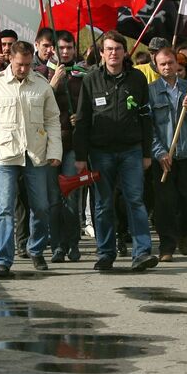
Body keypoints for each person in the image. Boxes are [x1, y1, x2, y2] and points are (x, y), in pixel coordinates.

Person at [73, 31, 159, 272]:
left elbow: (145, 117)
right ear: (101, 53)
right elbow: (82, 120)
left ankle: (142, 252)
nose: (113, 53)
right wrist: (81, 156)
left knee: (135, 200)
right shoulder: (91, 80)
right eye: (109, 49)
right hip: (100, 152)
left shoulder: (137, 79)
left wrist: (146, 152)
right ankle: (106, 253)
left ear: (125, 52)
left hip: (131, 150)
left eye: (118, 49)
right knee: (102, 204)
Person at [0, 41, 61, 277]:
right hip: (5, 154)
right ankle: (4, 259)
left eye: (27, 64)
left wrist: (55, 152)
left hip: (36, 153)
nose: (23, 69)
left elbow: (53, 119)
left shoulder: (42, 85)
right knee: (4, 208)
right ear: (10, 60)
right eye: (19, 64)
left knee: (41, 206)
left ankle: (36, 249)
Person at [149, 45, 187, 261]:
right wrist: (158, 152)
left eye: (170, 63)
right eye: (162, 64)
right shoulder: (151, 91)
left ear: (177, 64)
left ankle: (183, 233)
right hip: (164, 158)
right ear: (156, 67)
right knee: (164, 204)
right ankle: (167, 246)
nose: (167, 67)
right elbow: (148, 127)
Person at [48, 31, 85, 263]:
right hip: (51, 143)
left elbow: (90, 105)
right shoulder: (43, 72)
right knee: (53, 199)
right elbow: (37, 104)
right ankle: (57, 245)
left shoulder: (83, 74)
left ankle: (73, 243)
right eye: (61, 48)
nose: (65, 52)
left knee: (71, 195)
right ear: (53, 49)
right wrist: (53, 84)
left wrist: (78, 117)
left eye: (69, 47)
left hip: (73, 142)